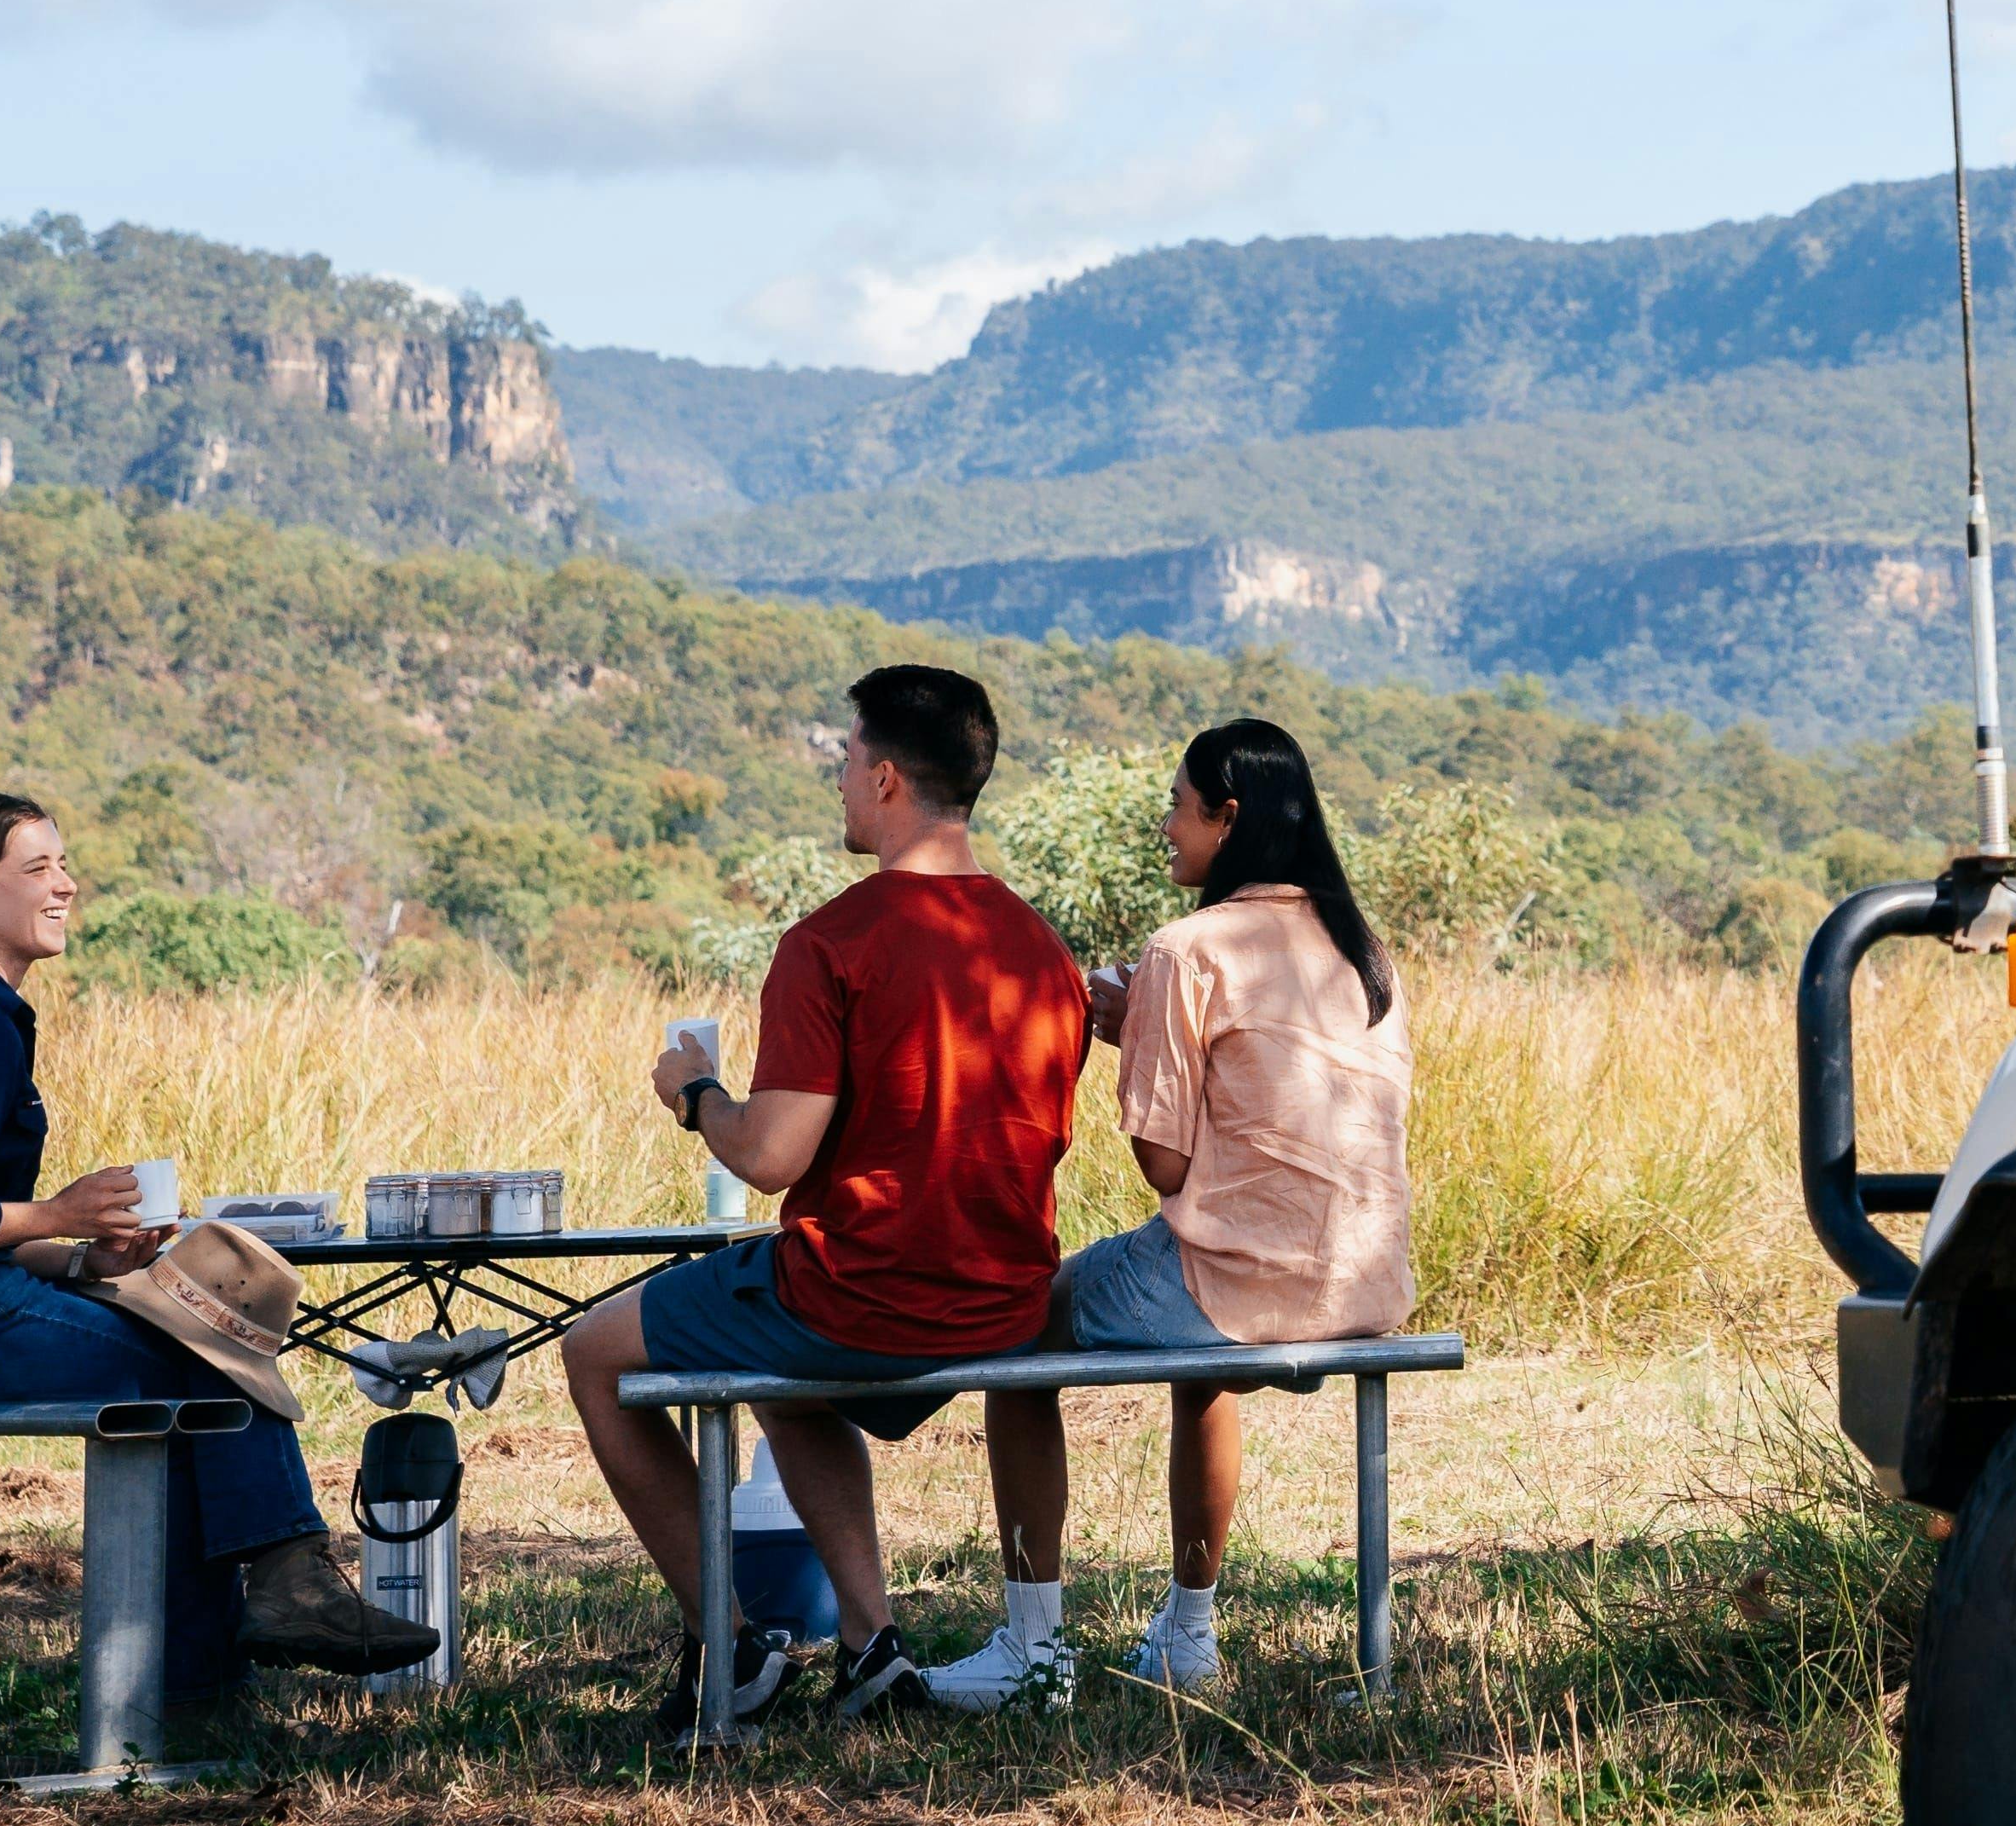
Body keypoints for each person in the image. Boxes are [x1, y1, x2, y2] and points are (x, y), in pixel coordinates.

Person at [0, 790, 435, 1702]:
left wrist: (81, 1258)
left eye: (63, 865)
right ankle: (281, 1594)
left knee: (184, 1389)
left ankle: (201, 1690)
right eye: (37, 869)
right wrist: (60, 1212)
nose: (65, 885)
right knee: (199, 1355)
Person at [559, 662, 1088, 1728]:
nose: (840, 781)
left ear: (887, 777)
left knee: (592, 1348)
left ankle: (731, 1643)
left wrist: (695, 1092)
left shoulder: (831, 942)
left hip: (859, 1294)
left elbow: (771, 1156)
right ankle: (868, 1639)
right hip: (1005, 1298)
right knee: (768, 1354)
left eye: (846, 760)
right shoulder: (1046, 950)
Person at [930, 714, 1412, 1706]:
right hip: (1362, 1281)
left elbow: (1165, 1162)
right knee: (1205, 1367)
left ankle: (1032, 1649)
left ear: (1227, 818)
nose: (1166, 827)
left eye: (1179, 808)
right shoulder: (1363, 949)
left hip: (1241, 1280)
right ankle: (1188, 1634)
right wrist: (1146, 1033)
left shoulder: (1187, 950)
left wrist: (1135, 1027)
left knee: (1017, 1333)